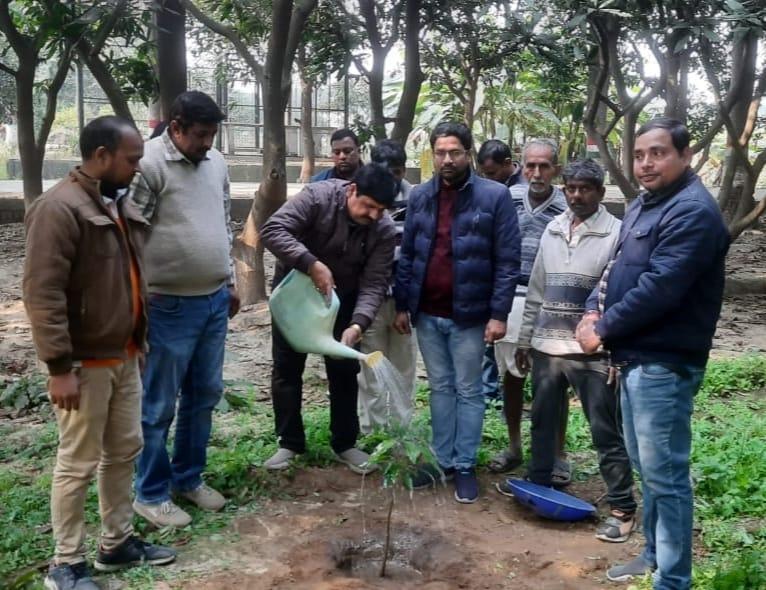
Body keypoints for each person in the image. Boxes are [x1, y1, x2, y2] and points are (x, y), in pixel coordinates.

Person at [23, 116, 176, 590]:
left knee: (124, 451)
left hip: (123, 355)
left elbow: (127, 280)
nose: (137, 168)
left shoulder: (115, 203)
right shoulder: (59, 208)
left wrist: (138, 343)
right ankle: (66, 564)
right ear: (102, 156)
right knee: (78, 462)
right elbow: (43, 293)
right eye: (131, 159)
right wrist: (59, 367)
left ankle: (116, 543)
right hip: (83, 364)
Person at [576, 118, 729, 588]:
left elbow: (661, 287)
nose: (645, 163)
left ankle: (673, 579)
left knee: (665, 475)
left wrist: (603, 328)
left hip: (664, 362)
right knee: (648, 469)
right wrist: (591, 311)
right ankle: (652, 556)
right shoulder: (645, 204)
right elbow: (615, 269)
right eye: (639, 154)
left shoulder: (693, 211)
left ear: (685, 156)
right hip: (635, 358)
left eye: (658, 153)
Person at [394, 121, 520, 504]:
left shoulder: (494, 196)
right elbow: (408, 253)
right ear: (432, 154)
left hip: (470, 314)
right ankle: (442, 460)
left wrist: (498, 314)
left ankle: (464, 464)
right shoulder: (420, 195)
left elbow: (508, 261)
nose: (447, 159)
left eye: (455, 152)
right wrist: (402, 304)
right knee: (440, 387)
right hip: (427, 313)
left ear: (468, 153)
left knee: (468, 389)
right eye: (440, 152)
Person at [513, 159, 637, 543]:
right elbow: (536, 289)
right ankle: (539, 485)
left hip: (592, 352)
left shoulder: (616, 233)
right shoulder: (552, 229)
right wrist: (524, 339)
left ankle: (622, 507)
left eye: (585, 189)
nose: (577, 195)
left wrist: (615, 349)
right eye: (570, 188)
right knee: (542, 422)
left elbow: (620, 294)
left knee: (605, 430)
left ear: (600, 191)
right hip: (547, 348)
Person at [131, 91, 240, 528]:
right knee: (158, 404)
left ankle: (188, 478)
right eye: (200, 134)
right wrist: (137, 304)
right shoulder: (148, 164)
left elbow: (224, 222)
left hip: (213, 300)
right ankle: (150, 493)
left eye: (212, 134)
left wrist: (229, 280)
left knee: (204, 394)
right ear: (175, 127)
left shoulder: (216, 163)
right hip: (167, 305)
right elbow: (131, 238)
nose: (207, 143)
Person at [261, 163, 397, 473]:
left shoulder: (383, 229)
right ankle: (289, 442)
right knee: (286, 369)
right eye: (369, 206)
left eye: (381, 210)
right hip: (294, 296)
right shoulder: (317, 197)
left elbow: (375, 282)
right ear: (352, 190)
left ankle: (345, 443)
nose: (374, 215)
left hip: (344, 301)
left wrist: (357, 324)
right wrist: (311, 263)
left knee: (344, 371)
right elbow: (273, 229)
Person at [488, 139, 569, 480]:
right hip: (510, 298)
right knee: (511, 376)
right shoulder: (508, 199)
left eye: (544, 166)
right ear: (521, 166)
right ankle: (514, 446)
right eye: (530, 165)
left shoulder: (566, 206)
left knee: (553, 381)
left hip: (551, 301)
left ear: (556, 170)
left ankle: (558, 454)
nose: (536, 173)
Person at [357, 140, 417, 433]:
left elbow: (417, 254)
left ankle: (401, 431)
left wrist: (406, 304)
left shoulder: (417, 200)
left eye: (394, 172)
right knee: (371, 366)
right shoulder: (363, 199)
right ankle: (372, 431)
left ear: (402, 171)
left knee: (403, 367)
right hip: (370, 300)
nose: (388, 179)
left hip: (404, 300)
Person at [477, 139, 525, 402]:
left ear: (508, 164)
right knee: (490, 338)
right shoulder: (491, 188)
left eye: (492, 173)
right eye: (485, 174)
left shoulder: (523, 189)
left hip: (518, 275)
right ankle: (489, 391)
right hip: (491, 272)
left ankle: (504, 393)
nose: (488, 179)